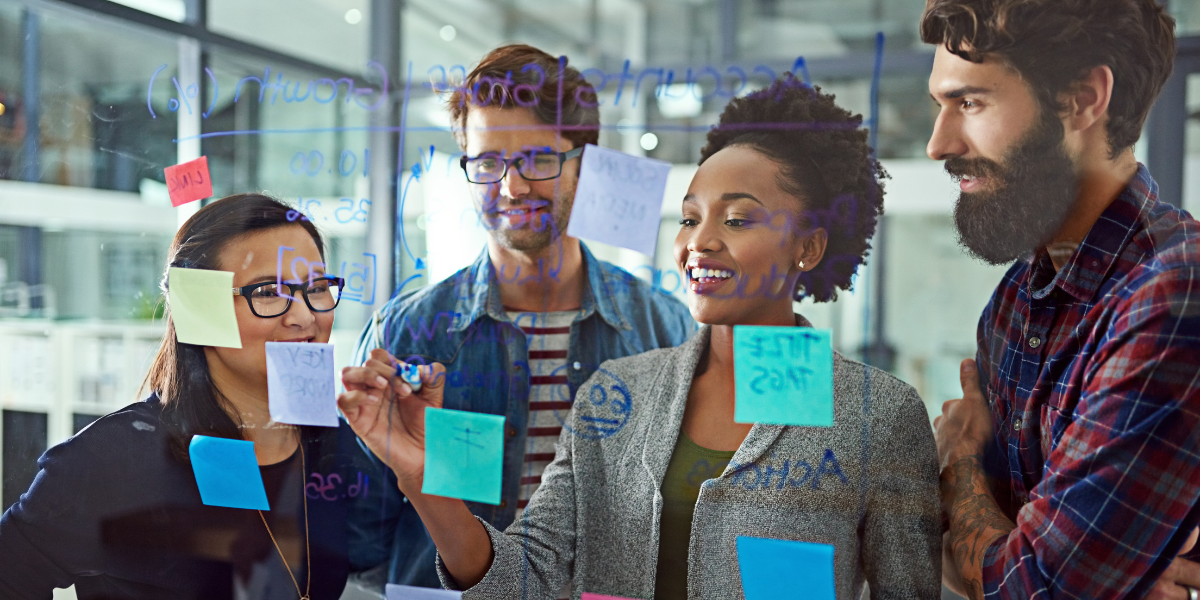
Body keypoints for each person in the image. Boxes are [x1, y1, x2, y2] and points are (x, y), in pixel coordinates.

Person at [341, 75, 942, 599]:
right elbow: (527, 578)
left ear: (808, 247)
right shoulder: (619, 390)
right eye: (688, 217)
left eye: (735, 219)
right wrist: (425, 482)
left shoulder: (876, 414)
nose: (698, 242)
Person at [349, 43, 694, 588]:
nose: (511, 186)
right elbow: (365, 534)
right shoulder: (407, 332)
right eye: (487, 162)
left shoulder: (662, 329)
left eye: (536, 159)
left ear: (584, 164)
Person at [922, 1, 1200, 598]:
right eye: (939, 105)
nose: (938, 144)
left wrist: (958, 466)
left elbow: (1036, 585)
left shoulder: (1177, 297)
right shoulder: (1013, 304)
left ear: (1082, 99)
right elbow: (996, 560)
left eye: (970, 103)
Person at [0, 194, 384, 599]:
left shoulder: (333, 443)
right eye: (269, 291)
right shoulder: (117, 457)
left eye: (317, 287)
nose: (305, 316)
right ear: (198, 308)